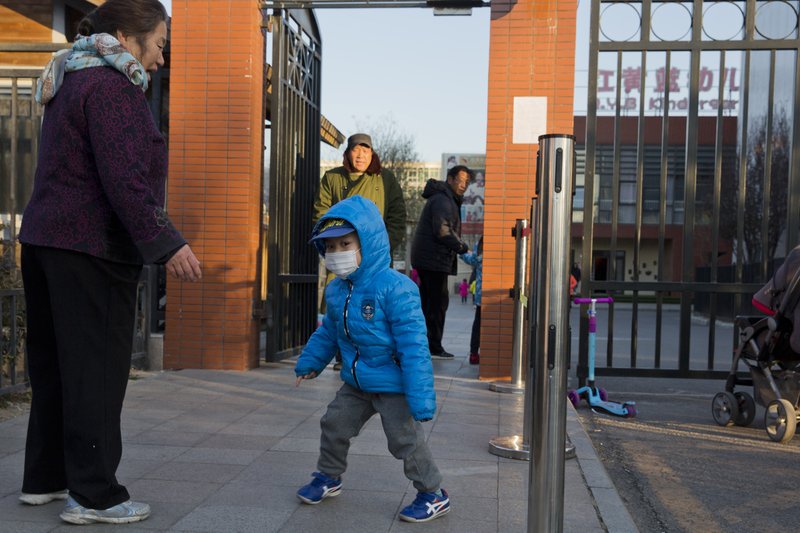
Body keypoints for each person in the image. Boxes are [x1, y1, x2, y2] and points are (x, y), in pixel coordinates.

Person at [17, 0, 202, 525]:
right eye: (161, 45)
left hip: (46, 242)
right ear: (127, 36)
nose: (162, 59)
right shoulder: (114, 87)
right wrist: (169, 243)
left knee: (55, 369)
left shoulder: (70, 79)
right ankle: (94, 496)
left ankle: (45, 479)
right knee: (95, 373)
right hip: (90, 249)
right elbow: (126, 181)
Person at [294, 195, 450, 523]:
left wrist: (421, 399)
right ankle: (328, 477)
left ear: (368, 242)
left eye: (345, 244)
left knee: (404, 441)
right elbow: (329, 332)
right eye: (331, 247)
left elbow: (414, 347)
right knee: (334, 423)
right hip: (356, 381)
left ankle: (433, 494)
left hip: (392, 384)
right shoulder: (337, 291)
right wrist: (310, 362)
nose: (338, 253)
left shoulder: (396, 288)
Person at [314, 133, 406, 370]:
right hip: (343, 253)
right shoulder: (332, 178)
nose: (361, 155)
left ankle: (373, 353)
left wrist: (382, 247)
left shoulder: (385, 179)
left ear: (372, 153)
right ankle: (342, 353)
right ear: (347, 153)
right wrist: (333, 244)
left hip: (375, 258)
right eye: (356, 149)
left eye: (366, 150)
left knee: (374, 304)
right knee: (338, 301)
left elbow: (397, 217)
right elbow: (320, 214)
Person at [410, 165, 471, 359]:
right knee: (437, 304)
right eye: (460, 181)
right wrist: (461, 247)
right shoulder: (443, 200)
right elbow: (442, 230)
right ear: (450, 179)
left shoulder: (446, 198)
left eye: (467, 183)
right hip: (432, 260)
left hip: (431, 259)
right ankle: (433, 346)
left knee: (429, 303)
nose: (463, 185)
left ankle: (425, 344)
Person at [460, 237, 483, 364]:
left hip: (481, 296)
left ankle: (474, 354)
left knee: (477, 325)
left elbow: (469, 257)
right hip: (492, 296)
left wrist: (461, 250)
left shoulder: (478, 259)